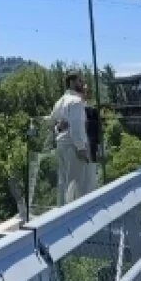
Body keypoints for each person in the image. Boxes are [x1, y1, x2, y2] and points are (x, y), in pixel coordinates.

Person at [51, 73, 93, 206]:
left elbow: (53, 121)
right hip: (73, 147)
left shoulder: (61, 101)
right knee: (78, 184)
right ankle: (76, 215)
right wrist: (81, 148)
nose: (83, 84)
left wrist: (58, 128)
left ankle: (63, 212)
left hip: (61, 145)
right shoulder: (75, 101)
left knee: (65, 182)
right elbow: (76, 126)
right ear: (72, 82)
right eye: (81, 81)